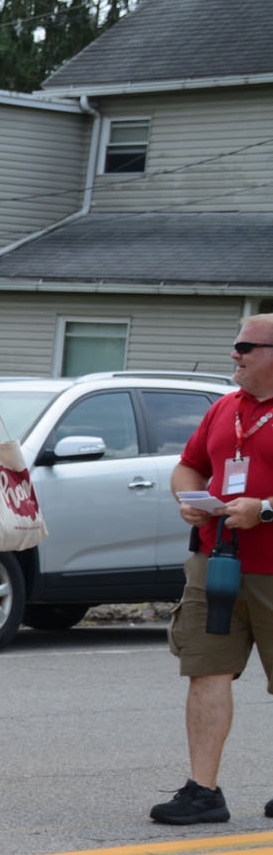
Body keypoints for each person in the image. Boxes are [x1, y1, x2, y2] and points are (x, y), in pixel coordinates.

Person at [151, 314, 273, 825]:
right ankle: (203, 791)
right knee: (205, 670)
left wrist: (265, 509)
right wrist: (189, 499)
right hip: (215, 562)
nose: (234, 355)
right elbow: (189, 466)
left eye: (245, 346)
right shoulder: (225, 407)